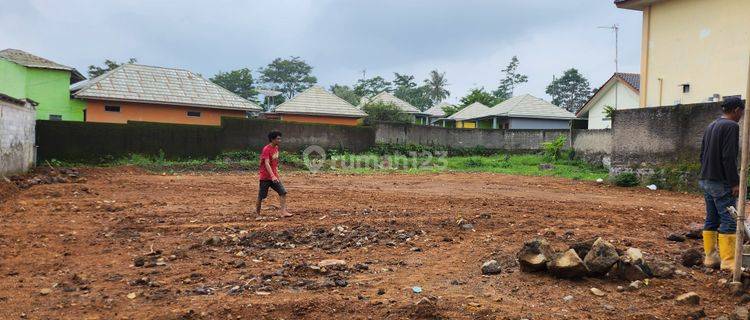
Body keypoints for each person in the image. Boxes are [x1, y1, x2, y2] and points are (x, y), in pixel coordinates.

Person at [699, 96, 744, 271]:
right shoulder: (732, 126)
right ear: (736, 110)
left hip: (706, 179)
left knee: (712, 218)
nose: (741, 116)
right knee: (729, 220)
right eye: (741, 112)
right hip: (721, 181)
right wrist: (734, 182)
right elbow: (728, 157)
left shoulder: (711, 125)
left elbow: (702, 154)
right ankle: (729, 261)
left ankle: (710, 257)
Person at [256, 131, 291, 217]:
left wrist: (275, 172)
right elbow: (267, 163)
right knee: (261, 196)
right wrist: (272, 175)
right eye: (278, 139)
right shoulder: (266, 149)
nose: (280, 140)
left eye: (280, 138)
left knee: (283, 192)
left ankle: (283, 212)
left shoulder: (276, 148)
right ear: (272, 139)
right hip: (265, 177)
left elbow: (274, 162)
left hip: (274, 177)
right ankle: (257, 214)